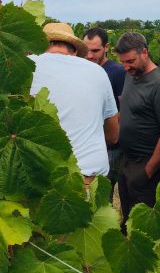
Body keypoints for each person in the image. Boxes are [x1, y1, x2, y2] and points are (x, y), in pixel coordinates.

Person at [29, 23, 119, 181]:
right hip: (88, 176)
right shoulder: (98, 71)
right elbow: (113, 135)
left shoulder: (26, 66)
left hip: (40, 174)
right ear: (76, 50)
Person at [113, 32, 160, 224]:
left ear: (145, 52)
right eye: (123, 62)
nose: (126, 67)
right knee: (127, 219)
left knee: (144, 226)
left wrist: (147, 172)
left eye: (130, 61)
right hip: (127, 162)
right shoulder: (130, 75)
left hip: (148, 165)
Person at [83, 26, 127, 190]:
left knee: (102, 192)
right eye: (86, 50)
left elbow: (124, 108)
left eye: (95, 50)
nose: (89, 55)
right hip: (88, 143)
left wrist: (108, 129)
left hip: (109, 147)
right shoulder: (83, 69)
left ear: (107, 48)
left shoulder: (118, 72)